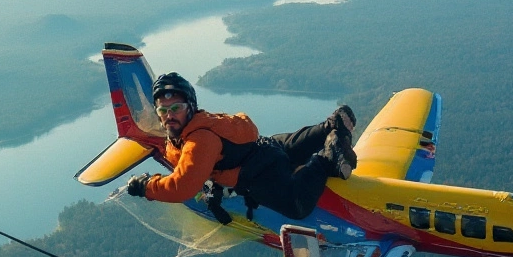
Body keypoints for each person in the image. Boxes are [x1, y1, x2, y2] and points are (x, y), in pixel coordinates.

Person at [125, 72, 356, 220]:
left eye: (176, 108)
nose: (169, 116)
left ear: (190, 107)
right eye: (163, 111)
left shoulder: (199, 141)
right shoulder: (200, 122)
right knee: (290, 149)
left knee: (297, 206)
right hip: (264, 147)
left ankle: (327, 158)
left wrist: (147, 186)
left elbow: (182, 188)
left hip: (258, 173)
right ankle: (331, 126)